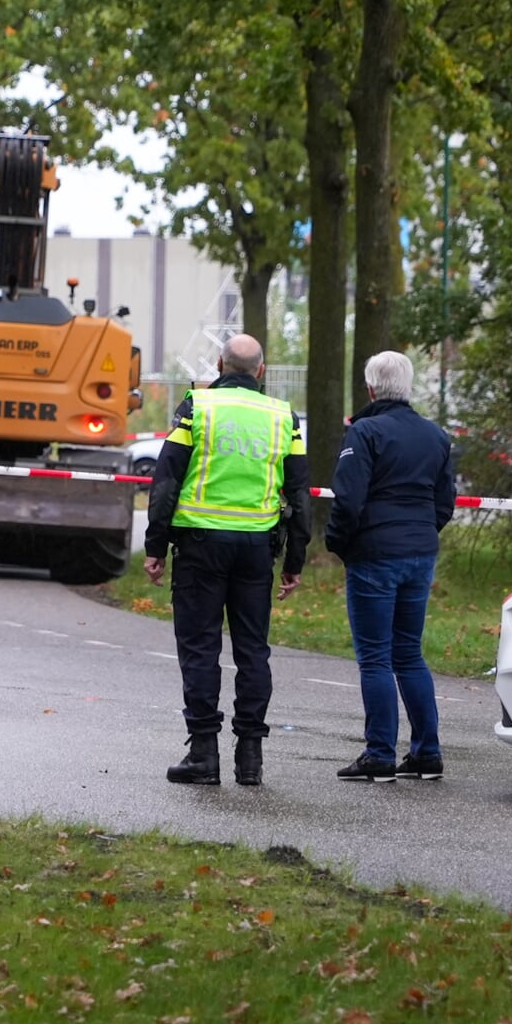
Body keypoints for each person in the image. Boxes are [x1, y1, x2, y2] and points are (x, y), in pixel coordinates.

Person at [143, 333, 310, 786]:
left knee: (201, 648)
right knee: (253, 650)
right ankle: (250, 759)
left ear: (220, 364)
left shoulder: (198, 407)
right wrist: (295, 559)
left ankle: (203, 755)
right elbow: (299, 491)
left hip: (200, 547)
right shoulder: (283, 417)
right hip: (257, 550)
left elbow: (167, 479)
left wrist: (155, 547)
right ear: (262, 370)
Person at [325, 351, 457, 783]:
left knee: (376, 658)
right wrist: (421, 532)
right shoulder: (436, 436)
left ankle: (379, 752)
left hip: (374, 554)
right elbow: (445, 502)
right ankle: (426, 753)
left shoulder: (363, 433)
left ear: (370, 388)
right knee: (409, 653)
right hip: (420, 553)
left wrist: (339, 543)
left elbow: (348, 498)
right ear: (409, 386)